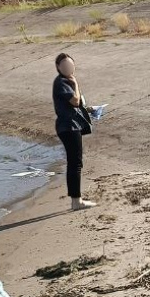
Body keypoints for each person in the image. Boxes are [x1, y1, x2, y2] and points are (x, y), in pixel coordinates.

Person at [53, 53, 97, 211]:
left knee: (74, 163)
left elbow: (76, 104)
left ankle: (76, 200)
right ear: (58, 67)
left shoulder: (64, 82)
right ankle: (76, 202)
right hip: (68, 127)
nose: (68, 68)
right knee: (75, 164)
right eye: (65, 66)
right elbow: (75, 101)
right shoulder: (62, 82)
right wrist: (76, 84)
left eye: (70, 65)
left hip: (70, 126)